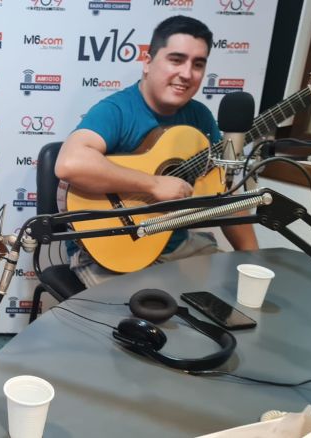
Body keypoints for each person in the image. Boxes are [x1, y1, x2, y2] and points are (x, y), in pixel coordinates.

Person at [55, 15, 258, 288]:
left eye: (198, 64)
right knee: (137, 326)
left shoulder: (199, 117)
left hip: (177, 248)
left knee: (227, 301)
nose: (187, 74)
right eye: (176, 59)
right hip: (111, 252)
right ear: (148, 63)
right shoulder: (118, 109)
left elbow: (226, 196)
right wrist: (153, 184)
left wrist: (254, 262)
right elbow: (70, 164)